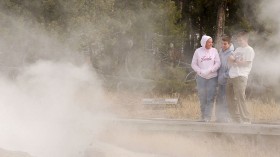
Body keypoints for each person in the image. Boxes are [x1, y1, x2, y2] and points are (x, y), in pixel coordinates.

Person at [227, 31, 255, 124]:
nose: (239, 42)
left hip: (241, 76)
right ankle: (235, 119)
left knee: (240, 98)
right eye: (238, 40)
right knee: (230, 98)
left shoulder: (249, 50)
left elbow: (246, 63)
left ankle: (246, 119)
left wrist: (235, 60)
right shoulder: (238, 49)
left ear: (246, 39)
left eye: (241, 40)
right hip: (232, 75)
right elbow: (229, 60)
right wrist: (236, 61)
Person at [191, 35, 221, 122]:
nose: (211, 43)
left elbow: (218, 63)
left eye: (212, 42)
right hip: (201, 78)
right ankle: (203, 116)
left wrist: (211, 70)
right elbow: (193, 64)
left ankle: (208, 117)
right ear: (204, 43)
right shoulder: (198, 51)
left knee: (210, 97)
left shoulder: (214, 51)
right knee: (202, 97)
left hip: (212, 77)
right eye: (209, 42)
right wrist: (200, 71)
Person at [215, 35, 234, 122]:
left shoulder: (232, 53)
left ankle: (225, 118)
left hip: (227, 80)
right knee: (219, 99)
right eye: (222, 44)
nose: (223, 45)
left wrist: (224, 76)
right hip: (219, 80)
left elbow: (231, 68)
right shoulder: (220, 52)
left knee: (225, 99)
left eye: (225, 44)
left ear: (229, 44)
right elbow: (218, 65)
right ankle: (219, 117)